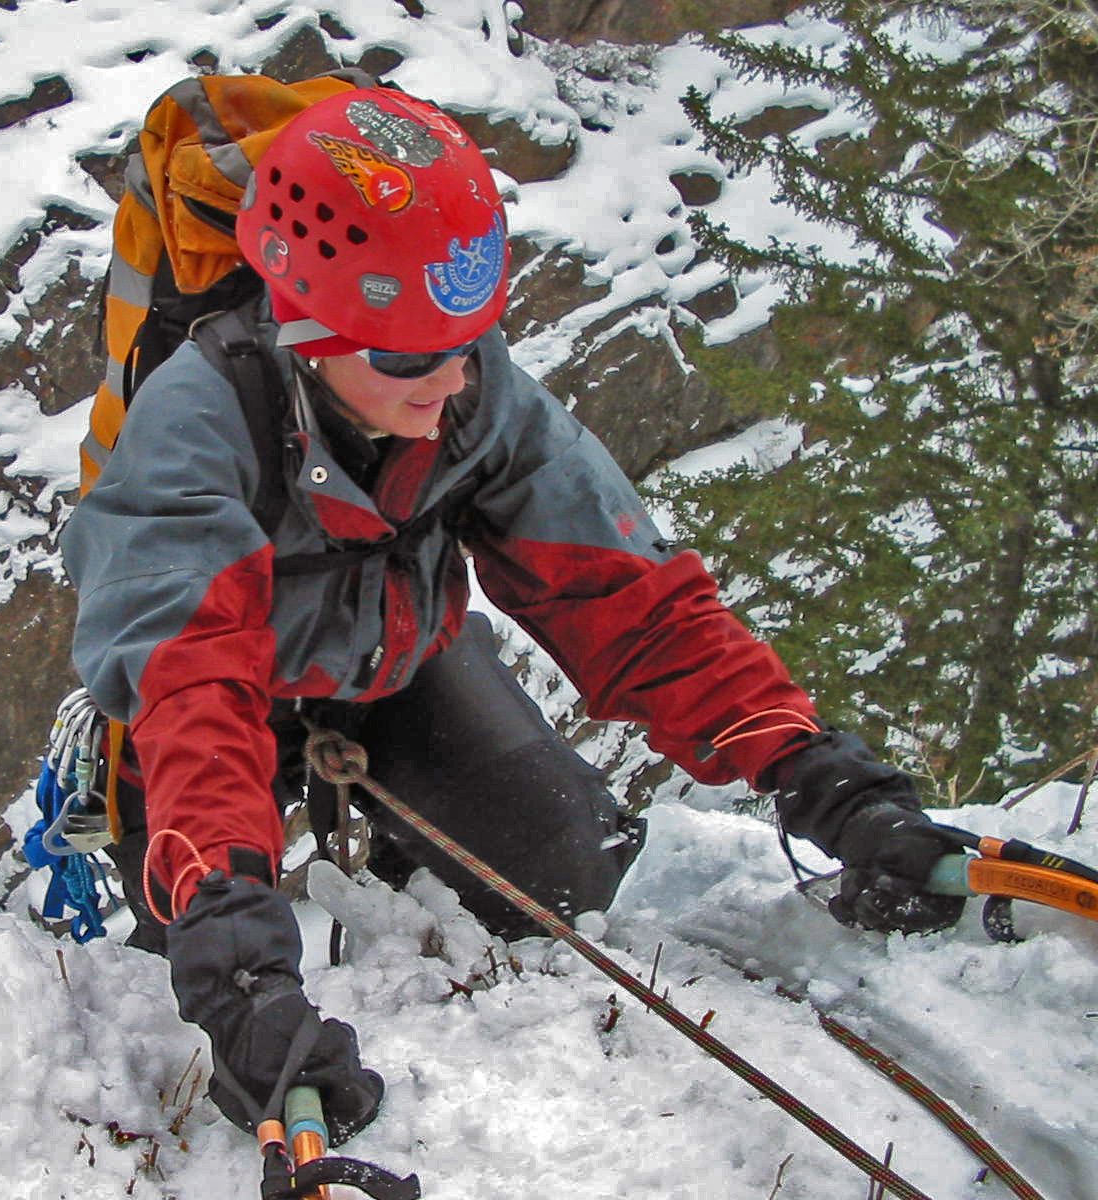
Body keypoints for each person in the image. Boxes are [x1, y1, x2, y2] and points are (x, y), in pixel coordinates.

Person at [59, 86, 965, 1146]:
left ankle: (402, 857)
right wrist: (238, 961)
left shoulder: (467, 386)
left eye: (468, 337)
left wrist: (819, 777)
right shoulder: (193, 424)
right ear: (305, 325)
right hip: (213, 695)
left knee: (567, 872)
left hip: (393, 661)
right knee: (183, 945)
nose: (447, 380)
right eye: (404, 355)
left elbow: (629, 598)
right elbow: (196, 687)